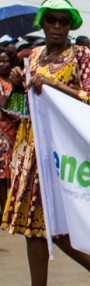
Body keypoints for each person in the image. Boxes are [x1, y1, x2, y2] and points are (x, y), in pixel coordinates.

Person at [1, 0, 90, 286]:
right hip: (31, 144)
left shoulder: (81, 56)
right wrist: (18, 85)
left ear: (71, 26)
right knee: (38, 227)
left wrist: (54, 85)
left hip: (62, 148)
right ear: (42, 24)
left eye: (64, 22)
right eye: (51, 21)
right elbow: (20, 108)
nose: (57, 27)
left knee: (49, 227)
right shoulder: (31, 56)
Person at [0, 47, 20, 211]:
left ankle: (10, 210)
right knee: (1, 176)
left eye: (5, 61)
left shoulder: (16, 83)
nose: (1, 64)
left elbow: (18, 110)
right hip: (2, 133)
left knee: (11, 175)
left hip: (15, 133)